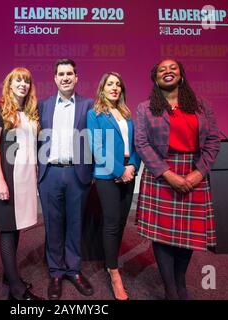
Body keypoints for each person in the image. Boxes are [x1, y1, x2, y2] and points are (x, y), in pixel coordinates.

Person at [135, 59, 220, 300]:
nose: (168, 72)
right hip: (161, 175)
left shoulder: (202, 107)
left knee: (188, 236)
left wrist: (199, 173)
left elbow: (213, 142)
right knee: (163, 237)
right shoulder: (145, 108)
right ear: (156, 79)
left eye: (173, 68)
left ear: (181, 75)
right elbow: (142, 143)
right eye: (162, 70)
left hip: (194, 172)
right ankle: (170, 290)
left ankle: (181, 283)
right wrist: (167, 174)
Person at [38, 58, 94, 300]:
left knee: (75, 223)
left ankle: (73, 269)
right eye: (61, 74)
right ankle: (56, 272)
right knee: (53, 224)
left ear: (76, 77)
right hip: (50, 173)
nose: (65, 77)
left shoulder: (89, 105)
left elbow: (96, 138)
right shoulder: (43, 106)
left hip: (77, 172)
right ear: (55, 78)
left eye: (69, 73)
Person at [0, 67, 43, 300]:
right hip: (9, 177)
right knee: (8, 229)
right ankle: (17, 291)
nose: (23, 84)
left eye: (26, 81)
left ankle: (9, 275)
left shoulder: (30, 111)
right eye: (18, 80)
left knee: (17, 225)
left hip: (26, 178)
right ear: (9, 84)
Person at [87, 72, 141, 300]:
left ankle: (112, 260)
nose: (115, 87)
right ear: (102, 88)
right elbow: (98, 150)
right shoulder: (95, 114)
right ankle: (114, 273)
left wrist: (132, 168)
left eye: (118, 84)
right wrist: (120, 170)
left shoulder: (127, 114)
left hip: (129, 173)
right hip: (107, 175)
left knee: (120, 222)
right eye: (110, 84)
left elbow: (137, 145)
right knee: (111, 223)